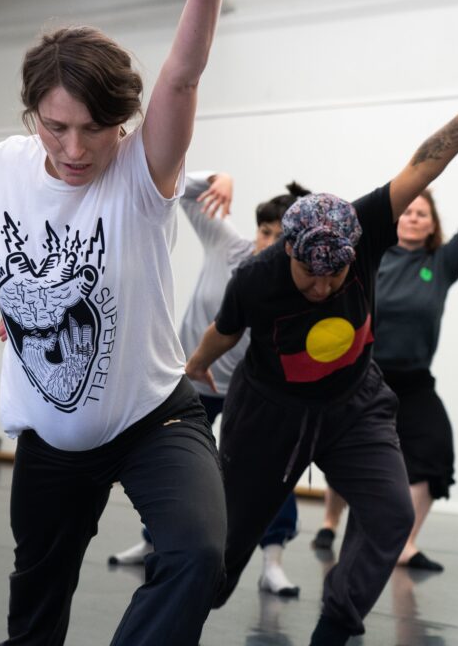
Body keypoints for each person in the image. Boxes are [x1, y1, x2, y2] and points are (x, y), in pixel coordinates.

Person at [0, 0, 264, 646]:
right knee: (36, 605)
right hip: (50, 428)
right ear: (32, 113)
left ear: (123, 124)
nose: (74, 149)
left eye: (94, 130)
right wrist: (2, 296)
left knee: (199, 554)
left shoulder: (141, 176)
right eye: (56, 127)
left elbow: (183, 73)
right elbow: (7, 248)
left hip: (151, 414)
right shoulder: (3, 165)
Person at [186, 56, 458, 646]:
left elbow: (423, 164)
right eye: (312, 275)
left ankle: (335, 629)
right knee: (227, 542)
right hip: (270, 414)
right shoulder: (256, 277)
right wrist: (197, 366)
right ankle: (176, 621)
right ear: (289, 253)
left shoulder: (364, 224)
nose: (325, 286)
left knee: (390, 513)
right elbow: (224, 333)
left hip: (355, 402)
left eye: (337, 276)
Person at [311, 148, 458, 571]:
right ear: (396, 219)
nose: (415, 217)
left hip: (415, 380)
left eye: (424, 213)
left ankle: (406, 543)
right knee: (348, 451)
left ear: (433, 223)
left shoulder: (441, 264)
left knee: (435, 451)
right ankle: (331, 519)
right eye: (409, 211)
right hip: (365, 375)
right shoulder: (370, 257)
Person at [108, 173, 310, 598]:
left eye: (280, 236)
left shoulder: (298, 282)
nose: (268, 242)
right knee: (168, 460)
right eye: (264, 230)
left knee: (269, 473)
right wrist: (223, 179)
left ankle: (272, 562)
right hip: (194, 378)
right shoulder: (228, 246)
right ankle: (152, 541)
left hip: (250, 392)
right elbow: (176, 184)